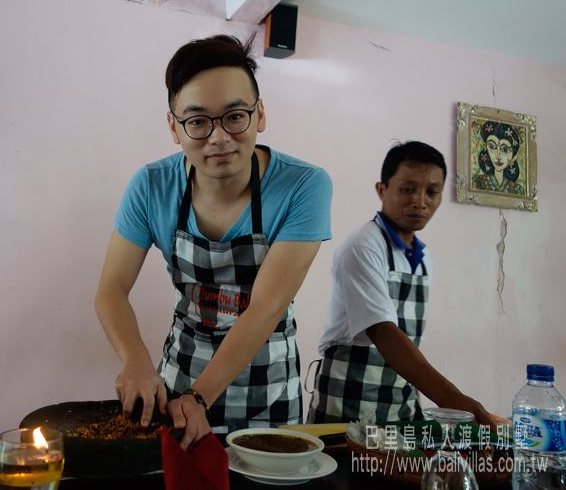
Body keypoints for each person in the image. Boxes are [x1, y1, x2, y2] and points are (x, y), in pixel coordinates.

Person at [95, 34, 332, 450]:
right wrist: (135, 362)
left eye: (235, 116)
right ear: (174, 127)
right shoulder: (152, 186)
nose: (219, 138)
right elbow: (111, 290)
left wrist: (201, 396)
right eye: (198, 121)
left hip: (267, 393)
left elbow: (267, 307)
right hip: (178, 386)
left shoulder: (303, 186)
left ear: (260, 115)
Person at [307, 141, 495, 427]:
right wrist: (450, 397)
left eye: (432, 192)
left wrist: (419, 399)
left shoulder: (423, 256)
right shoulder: (363, 246)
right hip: (348, 403)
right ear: (382, 190)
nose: (420, 201)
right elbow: (383, 331)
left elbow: (408, 341)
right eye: (408, 189)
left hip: (400, 407)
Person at [471, 121, 524, 195]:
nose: (498, 156)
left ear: (514, 157)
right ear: (486, 148)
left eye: (505, 150)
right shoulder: (479, 183)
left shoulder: (517, 190)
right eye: (492, 147)